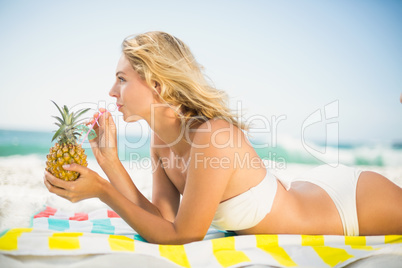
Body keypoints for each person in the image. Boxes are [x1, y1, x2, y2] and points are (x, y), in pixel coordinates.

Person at [44, 31, 402, 244]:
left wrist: (103, 190)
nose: (111, 90)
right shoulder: (161, 143)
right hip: (311, 188)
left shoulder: (212, 137)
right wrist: (111, 164)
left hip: (351, 205)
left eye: (122, 79)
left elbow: (184, 235)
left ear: (157, 83)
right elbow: (162, 221)